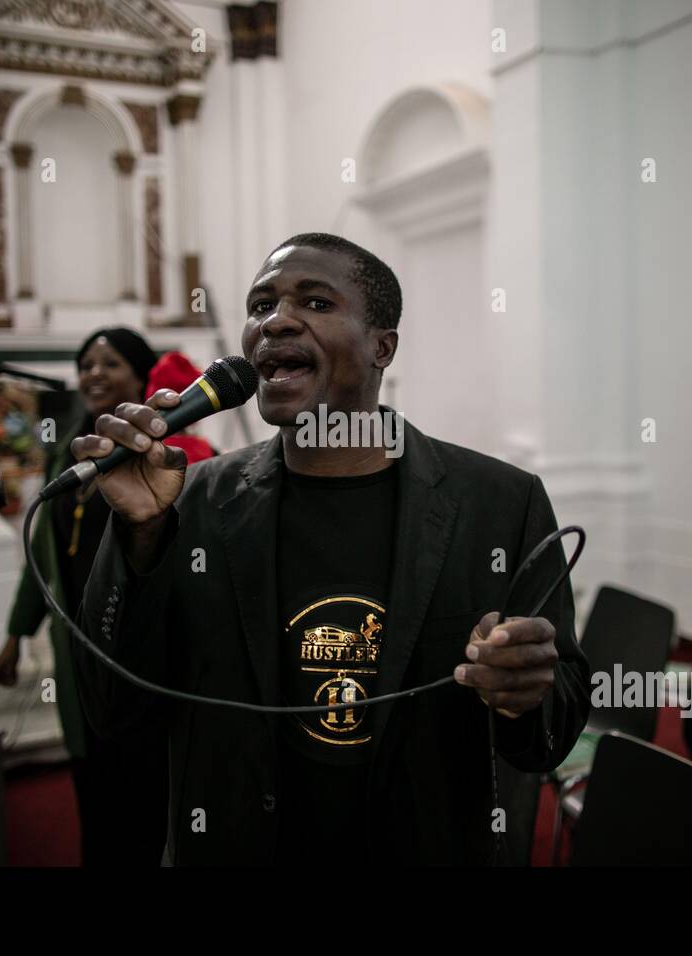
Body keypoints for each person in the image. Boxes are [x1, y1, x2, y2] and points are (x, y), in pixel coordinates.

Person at [71, 234, 591, 865]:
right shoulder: (191, 502)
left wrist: (524, 693)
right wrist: (138, 538)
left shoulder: (502, 505)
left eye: (315, 303)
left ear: (382, 346)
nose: (276, 320)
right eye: (260, 305)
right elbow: (114, 709)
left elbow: (551, 732)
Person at [0, 326, 172, 867]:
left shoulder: (161, 457)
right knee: (92, 788)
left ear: (141, 376)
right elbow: (43, 559)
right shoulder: (65, 456)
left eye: (110, 362)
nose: (94, 372)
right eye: (86, 362)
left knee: (145, 792)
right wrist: (15, 634)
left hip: (139, 656)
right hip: (79, 656)